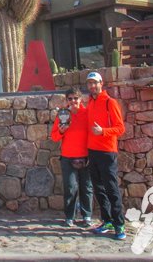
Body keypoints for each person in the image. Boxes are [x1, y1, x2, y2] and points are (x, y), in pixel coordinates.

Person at [85, 71, 127, 240]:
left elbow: (120, 128)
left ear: (101, 83)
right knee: (99, 188)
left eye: (95, 82)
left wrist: (103, 131)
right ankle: (107, 220)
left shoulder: (110, 102)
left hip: (107, 151)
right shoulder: (90, 103)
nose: (92, 86)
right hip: (92, 151)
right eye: (89, 83)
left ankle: (119, 225)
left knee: (111, 188)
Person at [51, 87, 93, 227]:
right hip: (68, 157)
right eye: (70, 98)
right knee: (70, 188)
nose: (73, 101)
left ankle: (86, 216)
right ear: (67, 100)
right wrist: (62, 131)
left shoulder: (87, 113)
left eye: (76, 98)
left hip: (85, 156)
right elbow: (54, 137)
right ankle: (70, 216)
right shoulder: (63, 115)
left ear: (80, 99)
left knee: (86, 188)